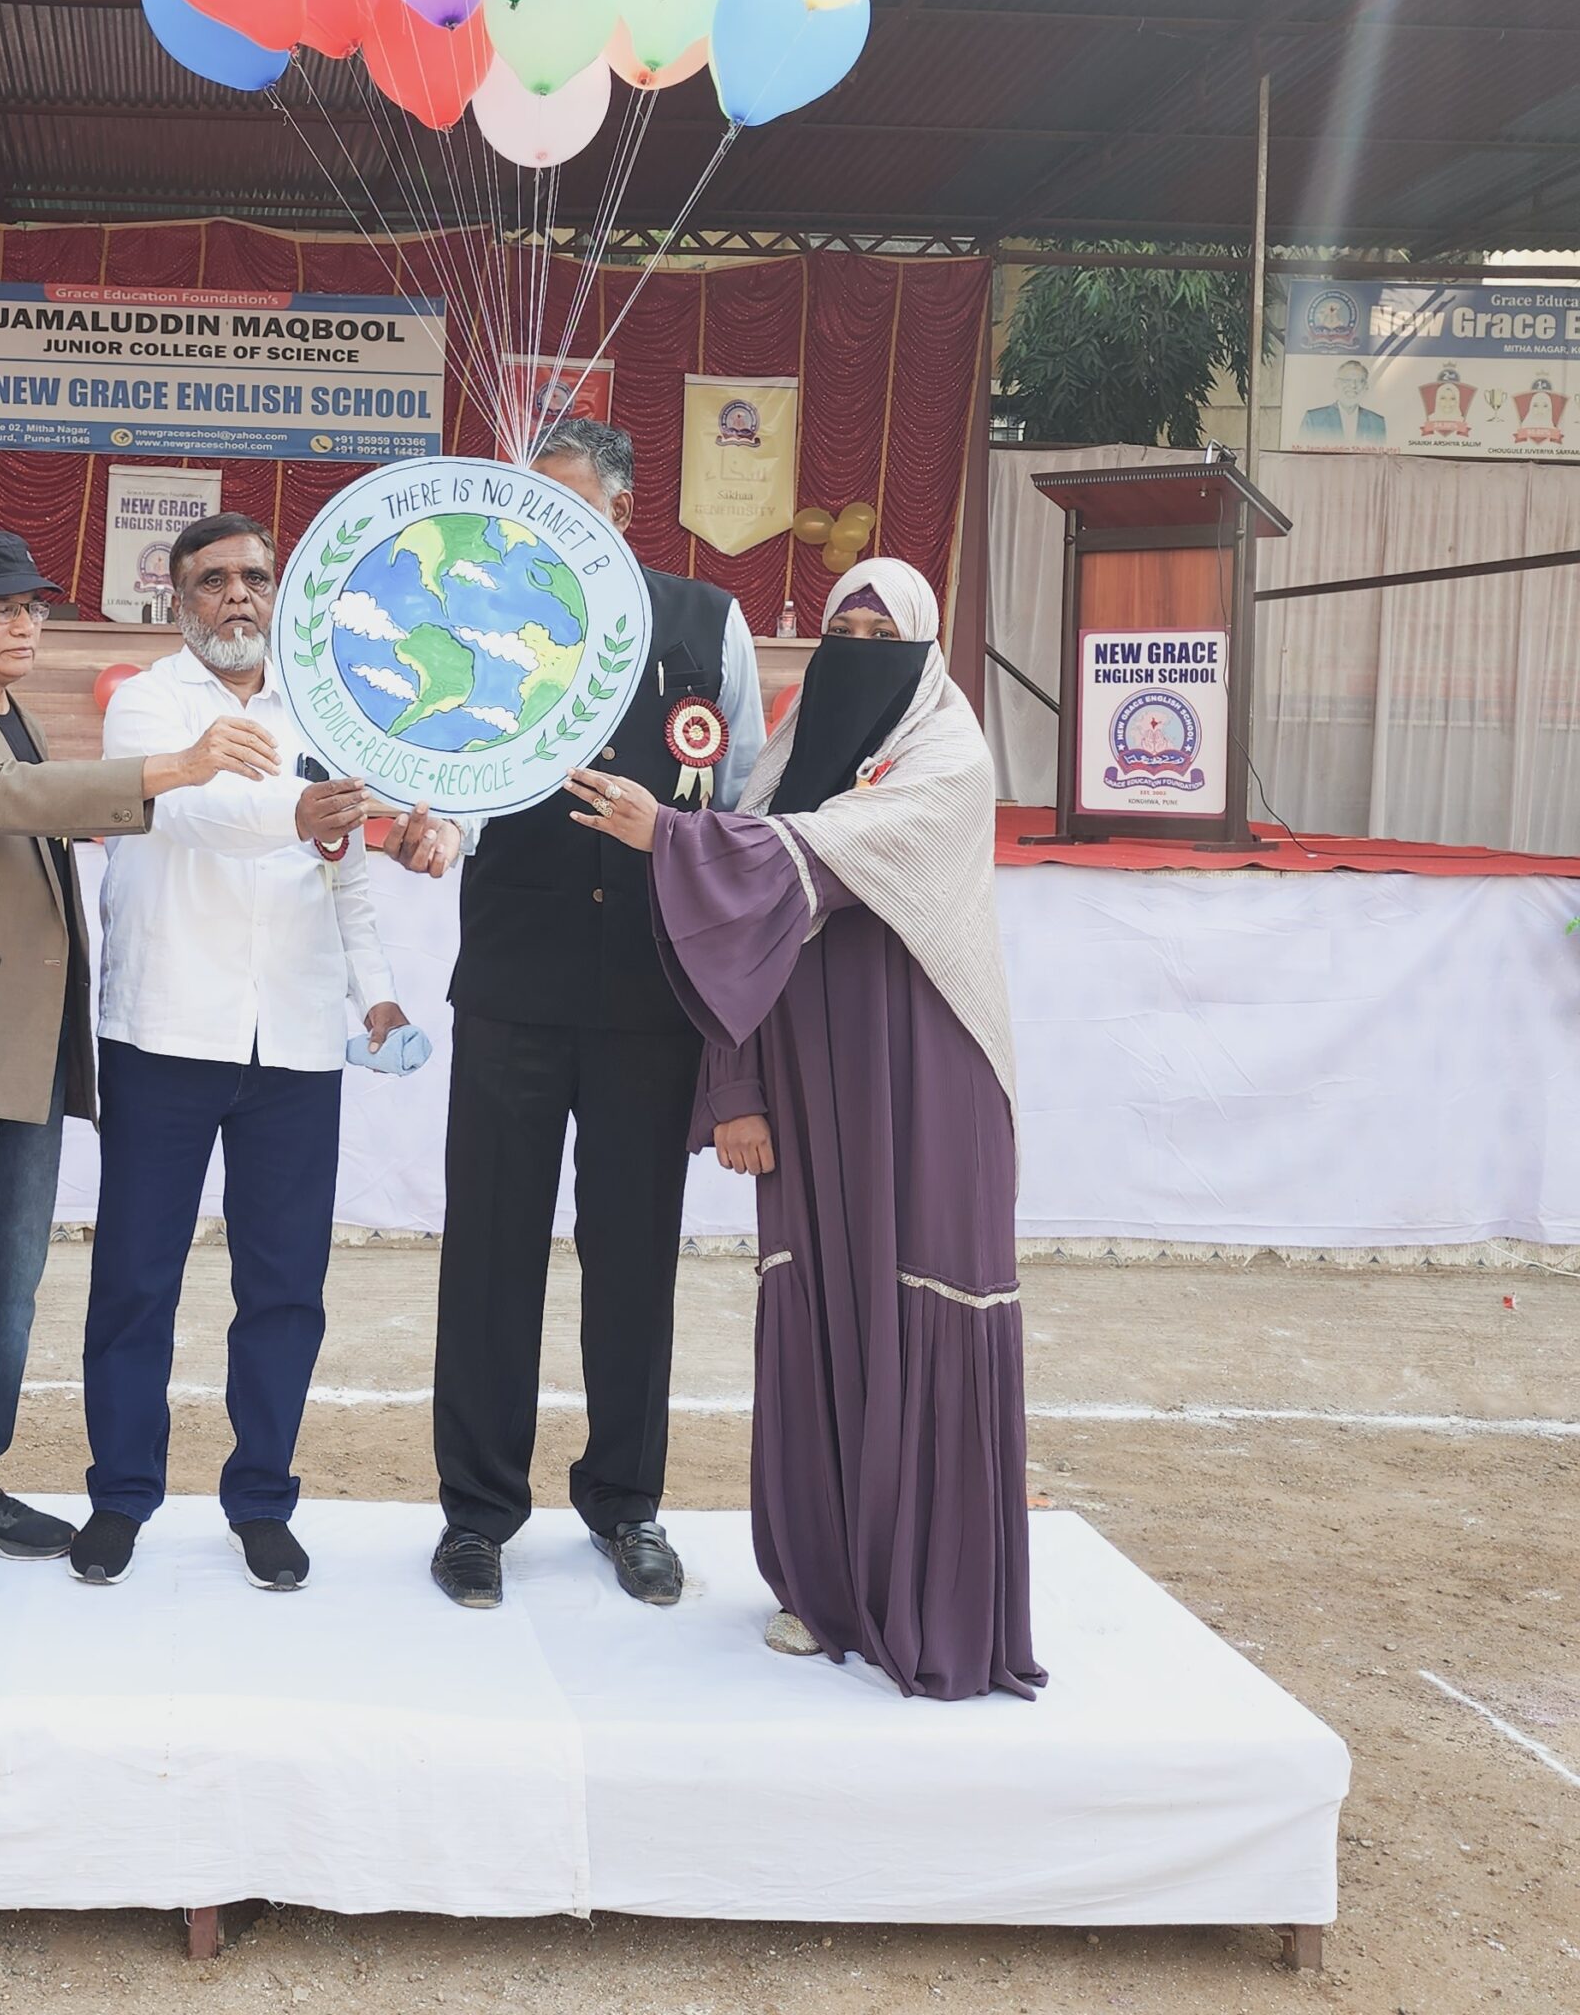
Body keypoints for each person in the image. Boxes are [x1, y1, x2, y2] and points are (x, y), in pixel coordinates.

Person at [565, 556, 1044, 1702]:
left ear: (927, 648)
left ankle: (931, 1597)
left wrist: (666, 835)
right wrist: (735, 1089)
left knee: (921, 1300)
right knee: (822, 1307)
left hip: (923, 1076)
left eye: (885, 634)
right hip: (809, 1081)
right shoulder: (784, 760)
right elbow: (737, 927)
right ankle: (824, 1587)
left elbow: (813, 860)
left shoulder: (949, 758)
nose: (859, 652)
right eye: (845, 632)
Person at [0, 528, 278, 1626]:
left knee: (5, 1293)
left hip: (28, 1047)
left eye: (32, 605)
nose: (24, 623)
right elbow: (2, 798)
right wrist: (176, 766)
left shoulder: (14, 713)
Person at [421, 416, 765, 1611]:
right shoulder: (478, 608)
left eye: (567, 506)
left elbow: (744, 803)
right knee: (489, 1253)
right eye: (530, 506)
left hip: (648, 997)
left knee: (633, 1259)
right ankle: (477, 1514)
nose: (544, 529)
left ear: (621, 510)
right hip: (512, 984)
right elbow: (447, 767)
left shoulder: (705, 621)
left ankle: (627, 1502)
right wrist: (431, 822)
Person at [76, 513, 427, 1594]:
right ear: (177, 599)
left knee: (285, 1287)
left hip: (297, 1041)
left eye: (256, 578)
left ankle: (262, 1498)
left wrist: (375, 993)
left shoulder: (328, 708)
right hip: (166, 1030)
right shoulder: (147, 701)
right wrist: (303, 809)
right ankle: (120, 1496)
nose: (238, 595)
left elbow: (344, 872)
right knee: (137, 1278)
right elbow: (196, 815)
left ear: (282, 594)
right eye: (213, 579)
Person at [1298, 359, 1386, 443]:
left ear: (1366, 386)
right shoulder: (1313, 419)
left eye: (1359, 381)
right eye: (1347, 380)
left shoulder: (1377, 423)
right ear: (1336, 383)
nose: (1353, 385)